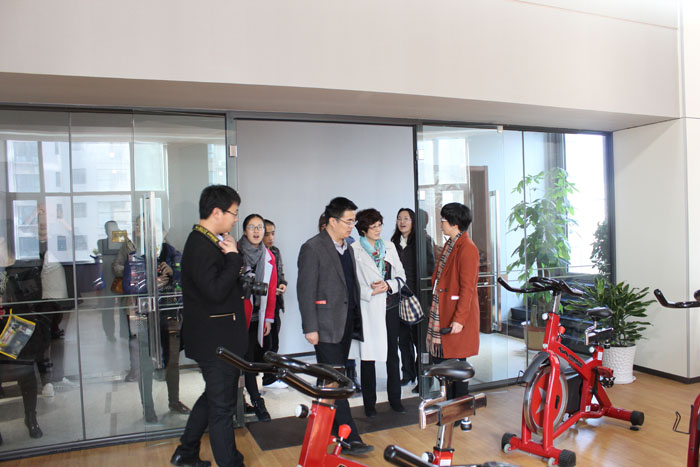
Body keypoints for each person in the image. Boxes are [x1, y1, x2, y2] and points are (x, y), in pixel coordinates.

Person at [170, 185, 247, 467]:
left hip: (219, 337)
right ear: (217, 212)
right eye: (234, 213)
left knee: (213, 397)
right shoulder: (200, 245)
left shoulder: (210, 241)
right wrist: (234, 258)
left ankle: (186, 452)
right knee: (222, 407)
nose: (235, 219)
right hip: (215, 341)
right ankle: (229, 462)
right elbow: (215, 291)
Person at [297, 197, 373, 456]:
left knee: (329, 379)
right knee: (337, 379)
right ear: (332, 221)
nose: (352, 226)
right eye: (348, 221)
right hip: (325, 325)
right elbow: (305, 291)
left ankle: (324, 429)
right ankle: (349, 437)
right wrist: (310, 327)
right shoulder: (313, 248)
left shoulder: (348, 247)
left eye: (353, 221)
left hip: (345, 323)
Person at [427, 202, 480, 430]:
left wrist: (459, 319)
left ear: (454, 223)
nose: (441, 224)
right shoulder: (452, 244)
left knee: (458, 366)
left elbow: (468, 288)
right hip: (444, 311)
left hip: (456, 316)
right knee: (447, 363)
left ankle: (460, 413)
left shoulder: (467, 248)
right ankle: (451, 411)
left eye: (443, 220)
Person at [353, 208, 406, 417]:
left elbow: (401, 275)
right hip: (368, 307)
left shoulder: (389, 247)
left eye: (379, 225)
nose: (377, 230)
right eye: (373, 226)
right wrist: (369, 291)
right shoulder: (355, 250)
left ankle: (396, 400)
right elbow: (352, 283)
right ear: (363, 229)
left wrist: (389, 284)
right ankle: (369, 405)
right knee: (368, 357)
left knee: (393, 354)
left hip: (390, 306)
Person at [390, 208, 435, 390]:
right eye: (399, 218)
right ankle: (408, 374)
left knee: (419, 340)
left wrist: (428, 300)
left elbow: (430, 269)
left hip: (418, 297)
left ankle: (424, 377)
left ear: (413, 222)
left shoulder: (422, 241)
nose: (402, 222)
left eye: (406, 219)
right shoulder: (393, 243)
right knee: (403, 339)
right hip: (399, 297)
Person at [317, 212, 361, 393]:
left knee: (345, 354)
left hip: (348, 310)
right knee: (329, 365)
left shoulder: (350, 247)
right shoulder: (315, 249)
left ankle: (349, 377)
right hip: (328, 316)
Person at [238, 214, 276, 422]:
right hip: (237, 317)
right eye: (252, 227)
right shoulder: (235, 252)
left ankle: (252, 400)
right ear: (245, 230)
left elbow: (271, 291)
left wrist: (268, 318)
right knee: (241, 360)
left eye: (260, 227)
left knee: (250, 360)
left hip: (256, 317)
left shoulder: (268, 256)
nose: (256, 231)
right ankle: (253, 401)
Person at [261, 219, 289, 389]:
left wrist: (282, 284)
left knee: (274, 341)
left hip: (276, 301)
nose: (271, 237)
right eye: (267, 234)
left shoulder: (275, 251)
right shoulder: (258, 253)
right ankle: (268, 377)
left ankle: (271, 375)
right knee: (267, 343)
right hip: (262, 304)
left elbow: (280, 273)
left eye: (273, 233)